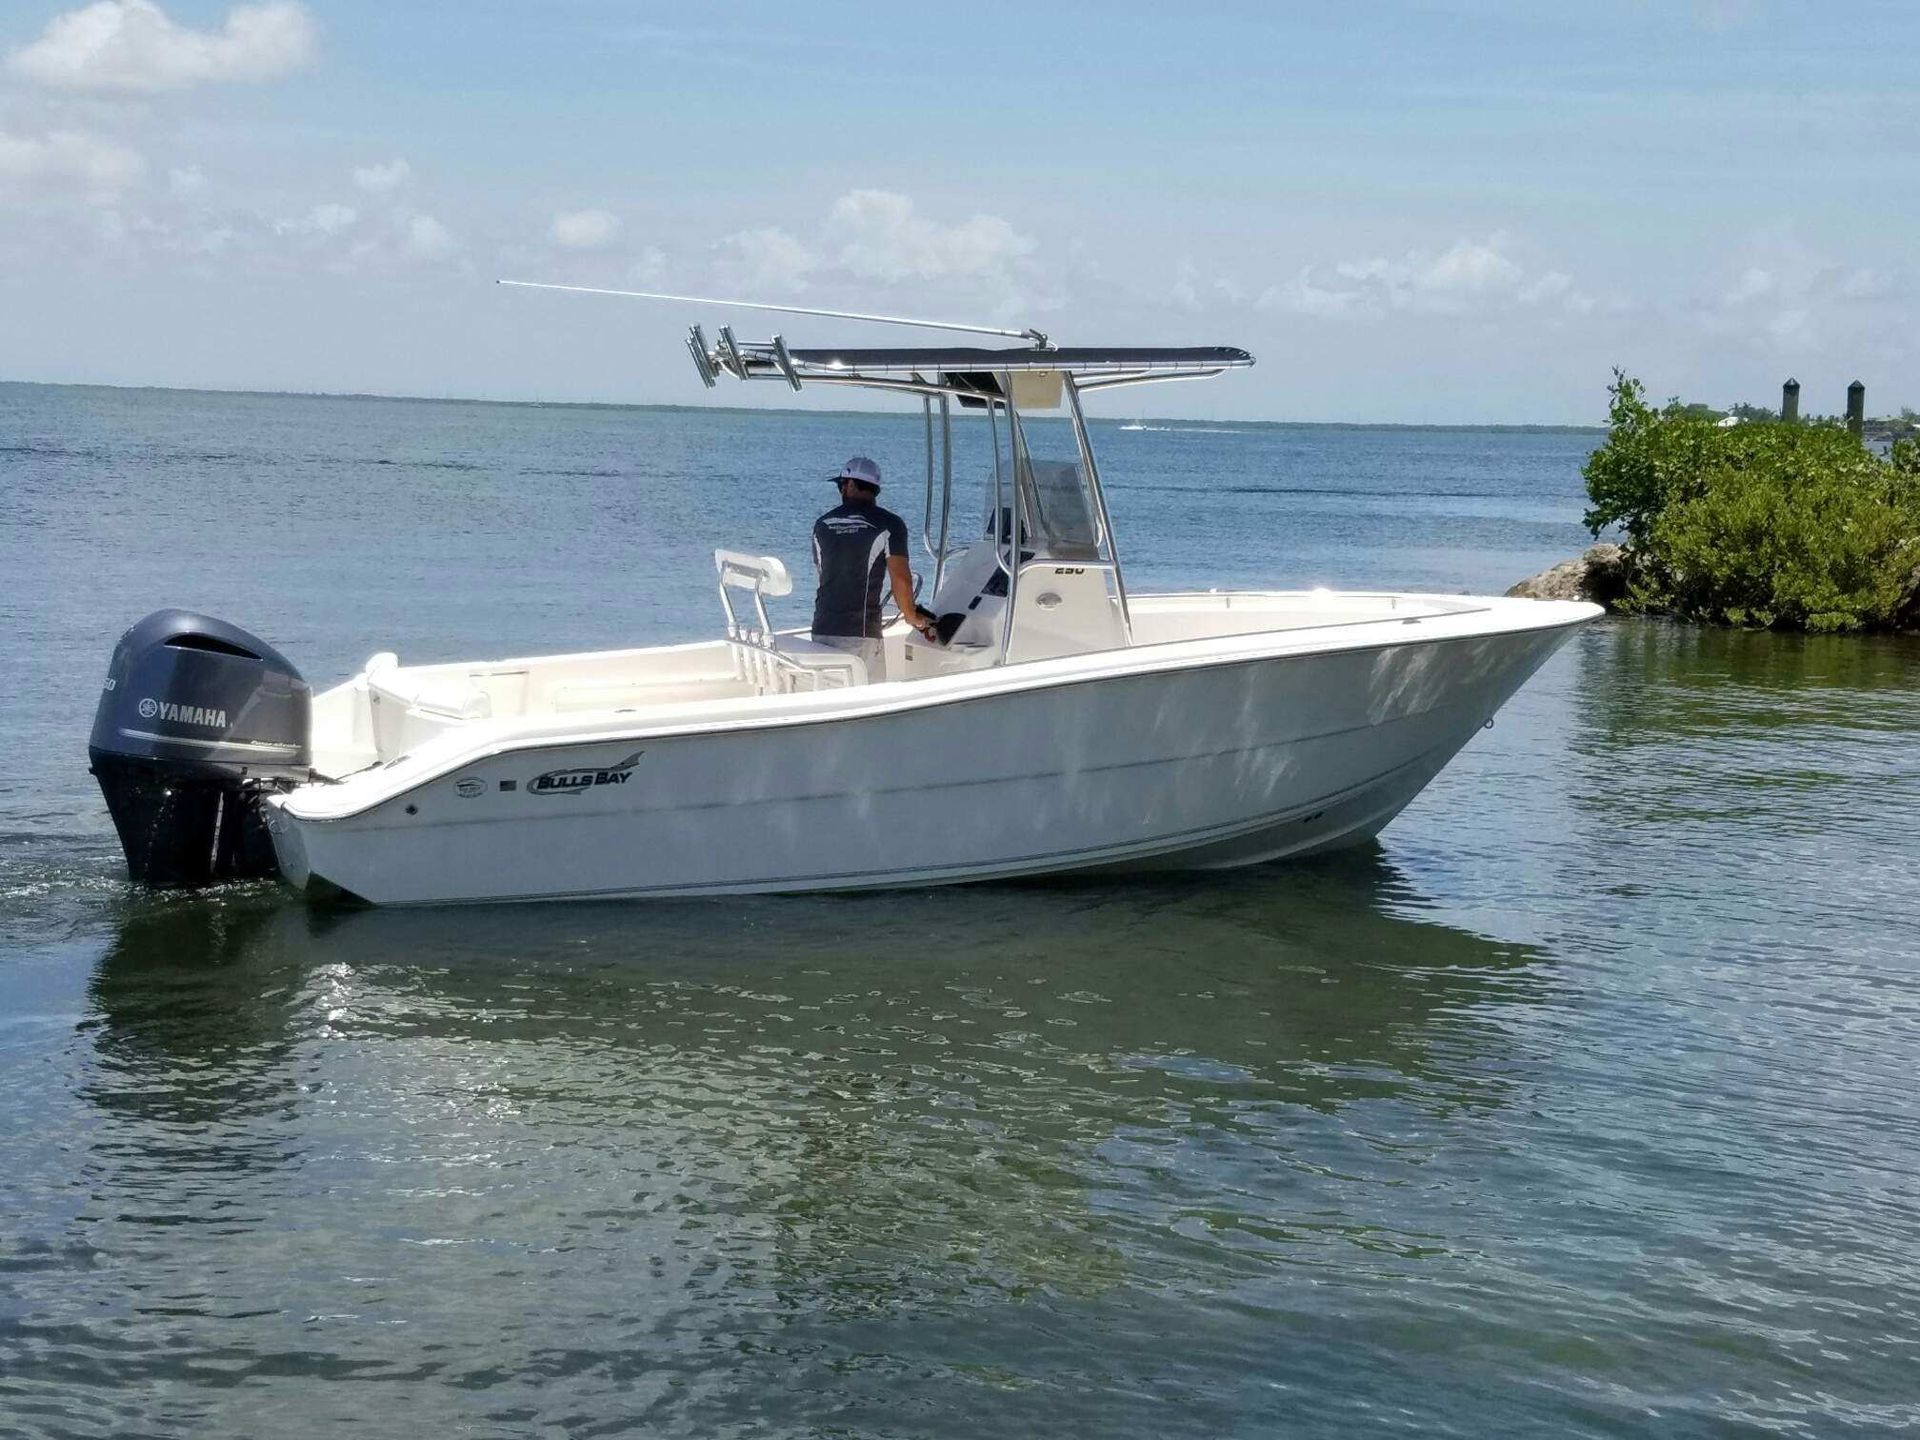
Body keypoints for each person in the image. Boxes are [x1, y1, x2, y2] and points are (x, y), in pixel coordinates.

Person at [811, 456, 936, 681]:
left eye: (841, 485)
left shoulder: (821, 524)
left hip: (821, 630)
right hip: (861, 635)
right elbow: (901, 580)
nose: (841, 490)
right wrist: (914, 618)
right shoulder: (890, 524)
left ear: (849, 485)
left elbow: (825, 576)